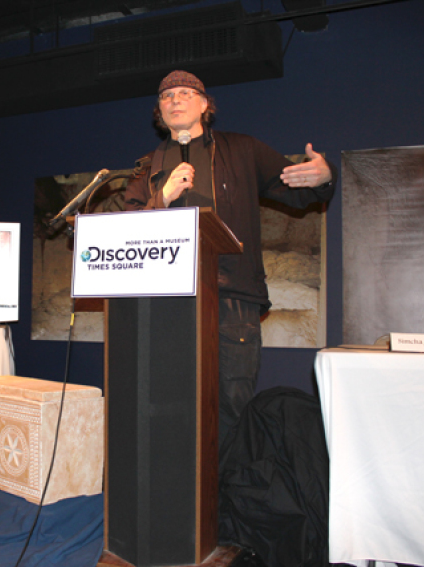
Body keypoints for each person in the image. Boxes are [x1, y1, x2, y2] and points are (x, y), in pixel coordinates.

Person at [123, 69, 336, 497]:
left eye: (185, 93)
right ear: (159, 111)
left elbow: (297, 188)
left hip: (232, 301)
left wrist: (322, 178)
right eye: (166, 95)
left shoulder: (242, 150)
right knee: (168, 404)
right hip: (166, 304)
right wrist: (161, 198)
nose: (175, 100)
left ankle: (223, 505)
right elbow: (124, 230)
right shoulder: (147, 167)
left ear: (205, 104)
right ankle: (174, 500)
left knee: (230, 407)